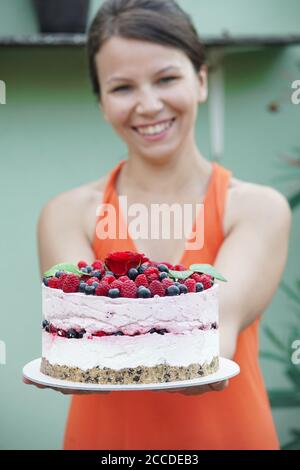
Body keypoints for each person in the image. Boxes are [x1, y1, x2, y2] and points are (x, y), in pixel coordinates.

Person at [26, 0, 291, 450]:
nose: (148, 105)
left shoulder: (259, 209)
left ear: (202, 80)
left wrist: (119, 352)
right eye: (122, 87)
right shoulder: (65, 214)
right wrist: (75, 360)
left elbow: (213, 334)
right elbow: (84, 341)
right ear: (102, 102)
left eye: (167, 78)